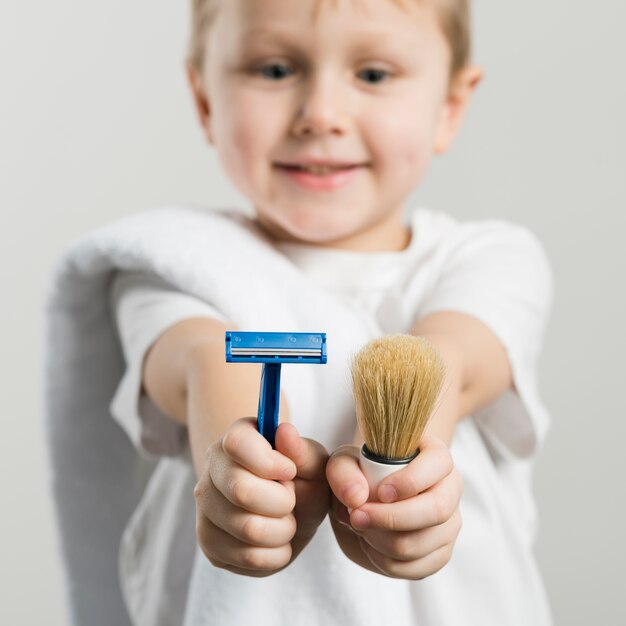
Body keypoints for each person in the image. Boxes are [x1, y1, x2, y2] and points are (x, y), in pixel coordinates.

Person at [45, 0, 554, 625]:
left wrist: (408, 478)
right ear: (205, 98)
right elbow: (205, 360)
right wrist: (241, 478)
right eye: (276, 68)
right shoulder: (169, 263)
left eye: (373, 75)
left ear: (449, 107)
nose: (321, 115)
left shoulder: (486, 260)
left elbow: (448, 359)